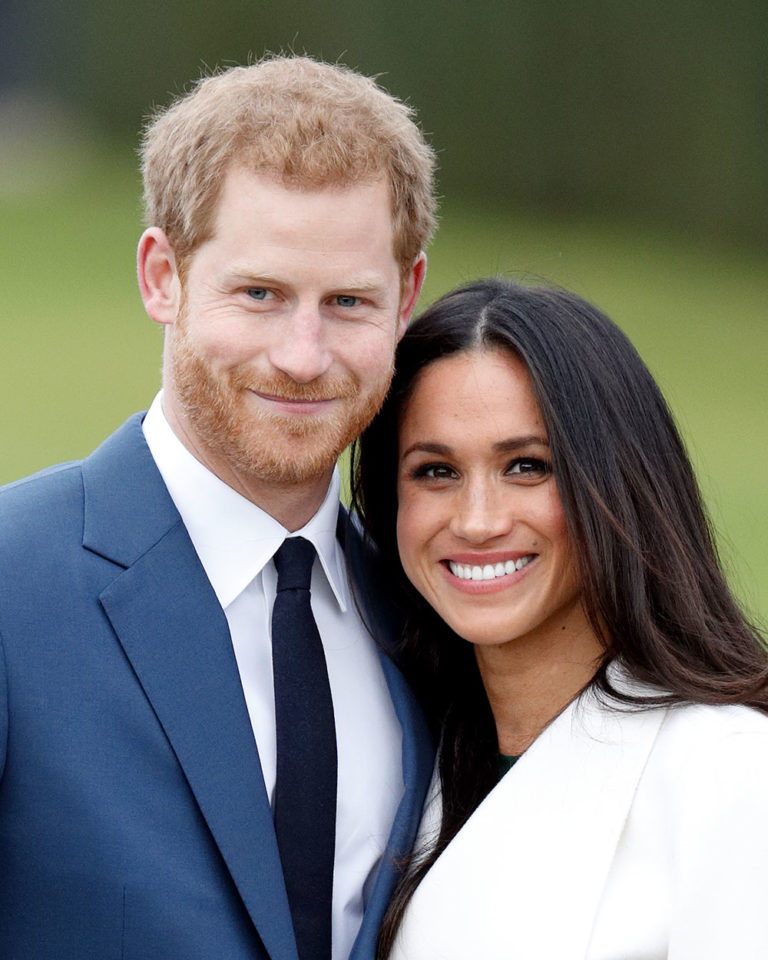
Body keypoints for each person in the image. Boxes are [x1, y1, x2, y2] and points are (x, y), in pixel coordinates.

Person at [0, 56, 437, 960]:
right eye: (261, 294)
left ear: (408, 299)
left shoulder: (433, 616)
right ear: (163, 276)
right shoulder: (12, 580)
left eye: (348, 302)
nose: (304, 355)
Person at [351, 277, 768, 960]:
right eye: (435, 472)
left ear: (618, 484)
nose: (478, 521)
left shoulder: (726, 773)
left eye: (526, 466)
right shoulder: (402, 757)